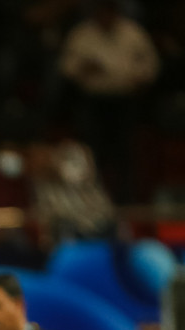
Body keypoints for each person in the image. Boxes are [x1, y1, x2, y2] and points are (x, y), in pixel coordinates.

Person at [59, 0, 159, 203]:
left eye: (109, 13)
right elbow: (66, 67)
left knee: (125, 153)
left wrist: (139, 78)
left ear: (116, 13)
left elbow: (152, 65)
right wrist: (83, 68)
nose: (105, 18)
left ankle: (126, 201)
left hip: (124, 102)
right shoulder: (82, 34)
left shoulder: (133, 33)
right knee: (92, 154)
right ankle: (90, 200)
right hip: (93, 102)